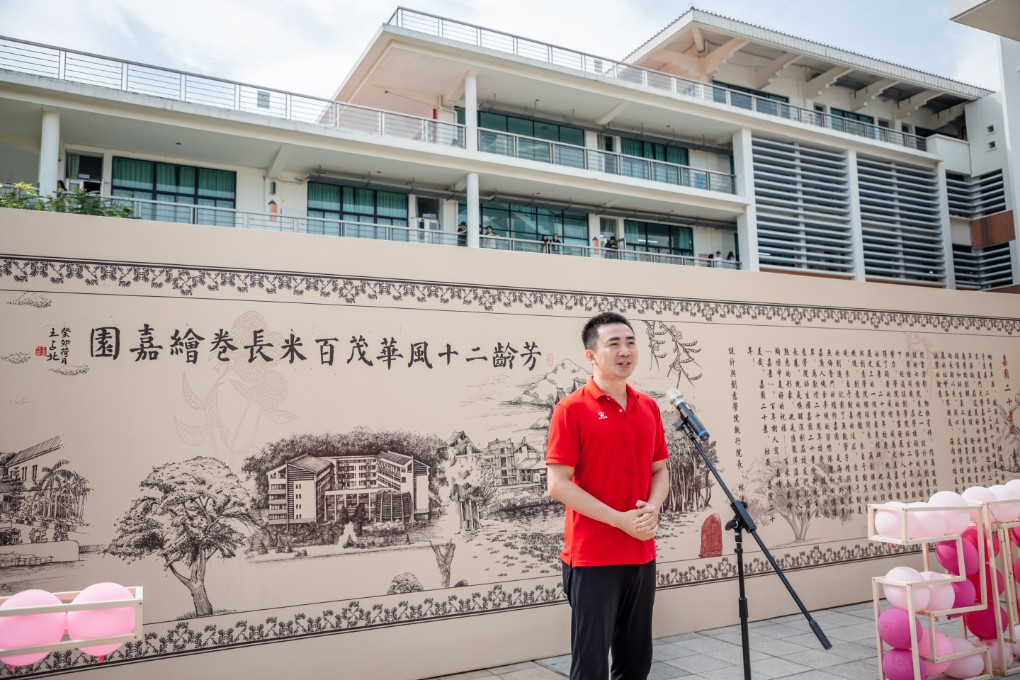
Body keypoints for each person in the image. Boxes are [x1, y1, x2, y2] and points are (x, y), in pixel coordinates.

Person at [546, 312, 670, 680]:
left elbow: (660, 470)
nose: (625, 351)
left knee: (636, 662)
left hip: (642, 552)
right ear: (591, 355)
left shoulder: (648, 406)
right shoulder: (571, 409)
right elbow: (558, 484)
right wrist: (619, 520)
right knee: (592, 667)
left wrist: (653, 507)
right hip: (593, 558)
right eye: (613, 343)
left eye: (630, 342)